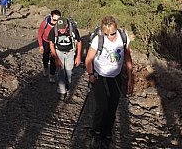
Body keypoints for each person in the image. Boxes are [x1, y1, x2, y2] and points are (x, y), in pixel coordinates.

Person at [84, 16, 134, 149]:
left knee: (112, 109)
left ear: (116, 29)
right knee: (102, 108)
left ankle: (107, 134)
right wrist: (90, 74)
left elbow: (128, 57)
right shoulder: (98, 40)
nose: (110, 36)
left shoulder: (123, 37)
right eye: (107, 34)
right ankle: (96, 133)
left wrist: (130, 78)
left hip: (115, 78)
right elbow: (88, 59)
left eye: (112, 33)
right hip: (99, 77)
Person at [49, 16, 82, 100]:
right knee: (60, 71)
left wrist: (78, 56)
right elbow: (51, 44)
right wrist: (56, 58)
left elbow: (79, 42)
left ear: (67, 25)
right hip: (59, 51)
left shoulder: (73, 30)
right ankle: (62, 90)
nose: (62, 30)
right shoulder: (54, 30)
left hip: (70, 52)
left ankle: (67, 84)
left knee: (69, 72)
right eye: (60, 28)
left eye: (63, 28)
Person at [37, 9, 61, 83]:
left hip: (54, 43)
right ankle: (45, 67)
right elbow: (39, 34)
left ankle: (52, 75)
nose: (56, 22)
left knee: (53, 58)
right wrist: (41, 46)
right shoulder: (45, 23)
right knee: (45, 56)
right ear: (51, 17)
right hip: (46, 41)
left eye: (58, 20)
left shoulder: (60, 25)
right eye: (54, 19)